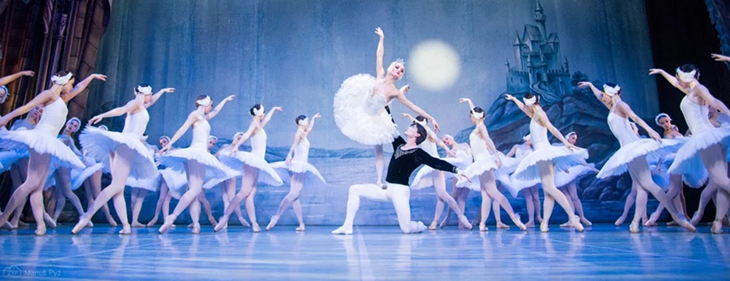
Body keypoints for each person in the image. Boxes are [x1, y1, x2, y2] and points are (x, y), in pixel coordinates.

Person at [0, 71, 106, 235]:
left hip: (50, 141)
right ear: (63, 82)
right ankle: (4, 218)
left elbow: (78, 88)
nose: (71, 86)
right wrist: (7, 117)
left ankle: (40, 224)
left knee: (38, 186)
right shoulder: (48, 94)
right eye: (70, 83)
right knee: (31, 182)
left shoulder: (62, 99)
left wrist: (91, 77)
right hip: (41, 138)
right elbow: (27, 107)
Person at [333, 27, 440, 187]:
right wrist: (382, 38)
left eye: (402, 71)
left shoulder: (395, 92)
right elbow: (379, 55)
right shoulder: (380, 75)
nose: (399, 70)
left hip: (377, 118)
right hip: (362, 108)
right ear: (391, 67)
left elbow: (413, 107)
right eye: (397, 67)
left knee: (379, 151)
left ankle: (378, 180)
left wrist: (430, 118)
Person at [331, 122, 471, 235]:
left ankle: (419, 226)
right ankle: (347, 226)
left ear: (417, 134)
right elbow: (391, 125)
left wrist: (457, 170)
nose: (408, 127)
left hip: (400, 192)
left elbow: (437, 162)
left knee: (406, 229)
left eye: (412, 127)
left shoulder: (418, 153)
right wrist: (385, 104)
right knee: (354, 189)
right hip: (387, 190)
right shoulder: (398, 144)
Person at [266, 113, 326, 231]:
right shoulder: (298, 134)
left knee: (296, 196)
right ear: (302, 122)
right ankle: (276, 216)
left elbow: (310, 128)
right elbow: (293, 145)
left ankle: (301, 224)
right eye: (307, 121)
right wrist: (289, 155)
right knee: (294, 193)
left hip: (300, 165)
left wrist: (313, 119)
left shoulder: (303, 133)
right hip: (298, 165)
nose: (308, 124)